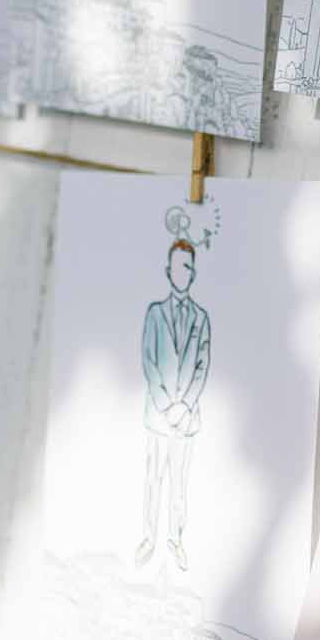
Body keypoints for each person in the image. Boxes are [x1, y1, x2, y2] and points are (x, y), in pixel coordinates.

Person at [139, 237, 211, 573]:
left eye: (187, 267)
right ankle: (149, 538)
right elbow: (149, 361)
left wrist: (183, 406)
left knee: (179, 483)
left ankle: (175, 539)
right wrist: (167, 404)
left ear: (193, 273)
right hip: (158, 416)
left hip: (185, 420)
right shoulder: (154, 314)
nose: (182, 273)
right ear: (168, 270)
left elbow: (202, 366)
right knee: (154, 478)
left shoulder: (201, 317)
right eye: (177, 266)